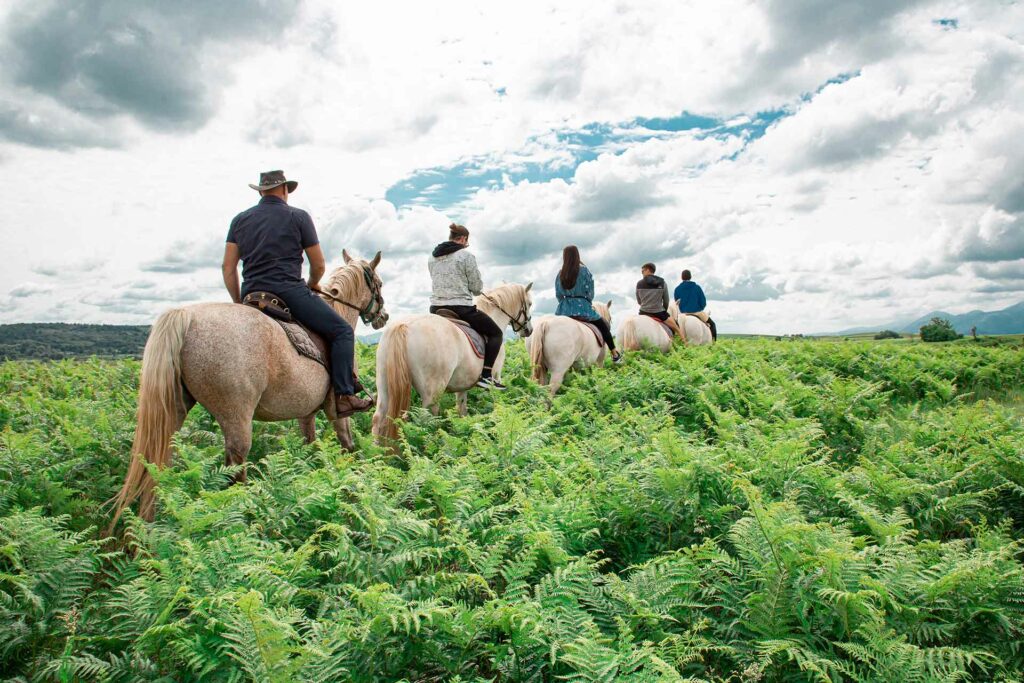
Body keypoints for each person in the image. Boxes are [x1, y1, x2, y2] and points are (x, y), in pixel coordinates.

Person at [222, 170, 373, 417]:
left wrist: (238, 301)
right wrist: (313, 283)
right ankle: (344, 396)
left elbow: (228, 268)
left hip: (252, 293)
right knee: (342, 331)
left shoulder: (239, 220)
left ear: (261, 191)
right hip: (288, 290)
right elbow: (319, 265)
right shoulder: (298, 217)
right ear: (284, 190)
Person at [428, 223, 506, 390]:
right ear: (463, 239)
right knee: (496, 333)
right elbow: (477, 288)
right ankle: (486, 376)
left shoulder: (432, 257)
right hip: (460, 308)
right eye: (466, 242)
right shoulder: (466, 256)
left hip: (435, 308)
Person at [555, 245, 623, 363]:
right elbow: (590, 292)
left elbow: (558, 294)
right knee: (604, 326)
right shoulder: (585, 271)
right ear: (577, 255)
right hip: (583, 309)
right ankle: (614, 354)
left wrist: (566, 303)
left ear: (564, 256)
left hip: (563, 310)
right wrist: (586, 302)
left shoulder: (560, 273)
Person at [636, 262, 684, 341]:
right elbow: (666, 300)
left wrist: (645, 305)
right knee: (677, 328)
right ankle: (685, 343)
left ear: (648, 270)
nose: (642, 273)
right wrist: (664, 310)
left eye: (643, 271)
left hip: (643, 312)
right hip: (659, 313)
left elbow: (639, 301)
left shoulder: (639, 283)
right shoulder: (663, 283)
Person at [673, 269, 717, 341]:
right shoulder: (697, 287)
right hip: (697, 312)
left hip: (682, 315)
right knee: (712, 324)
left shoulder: (677, 289)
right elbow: (703, 302)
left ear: (682, 277)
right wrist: (699, 308)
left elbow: (676, 303)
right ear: (690, 277)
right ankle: (714, 344)